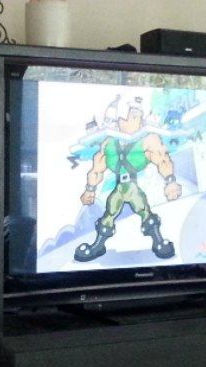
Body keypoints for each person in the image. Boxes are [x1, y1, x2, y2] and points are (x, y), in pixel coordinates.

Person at [74, 96, 181, 262]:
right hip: (119, 188)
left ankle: (159, 242)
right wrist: (90, 190)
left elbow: (163, 159)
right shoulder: (109, 142)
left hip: (132, 187)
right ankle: (98, 246)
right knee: (109, 214)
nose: (136, 117)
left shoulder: (148, 139)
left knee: (144, 211)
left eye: (137, 113)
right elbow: (97, 168)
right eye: (132, 113)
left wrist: (170, 182)